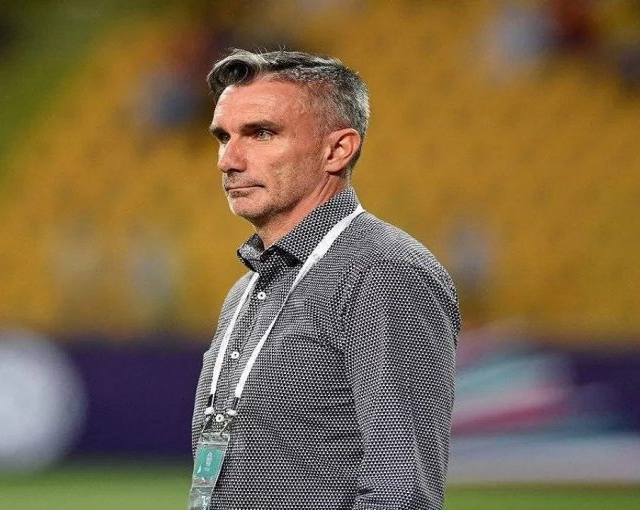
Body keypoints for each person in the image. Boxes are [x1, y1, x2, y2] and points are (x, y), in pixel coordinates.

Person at [189, 49, 460, 510]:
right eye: (223, 136)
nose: (228, 160)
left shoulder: (385, 272)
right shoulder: (248, 288)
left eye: (261, 133)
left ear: (337, 150)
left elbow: (401, 490)